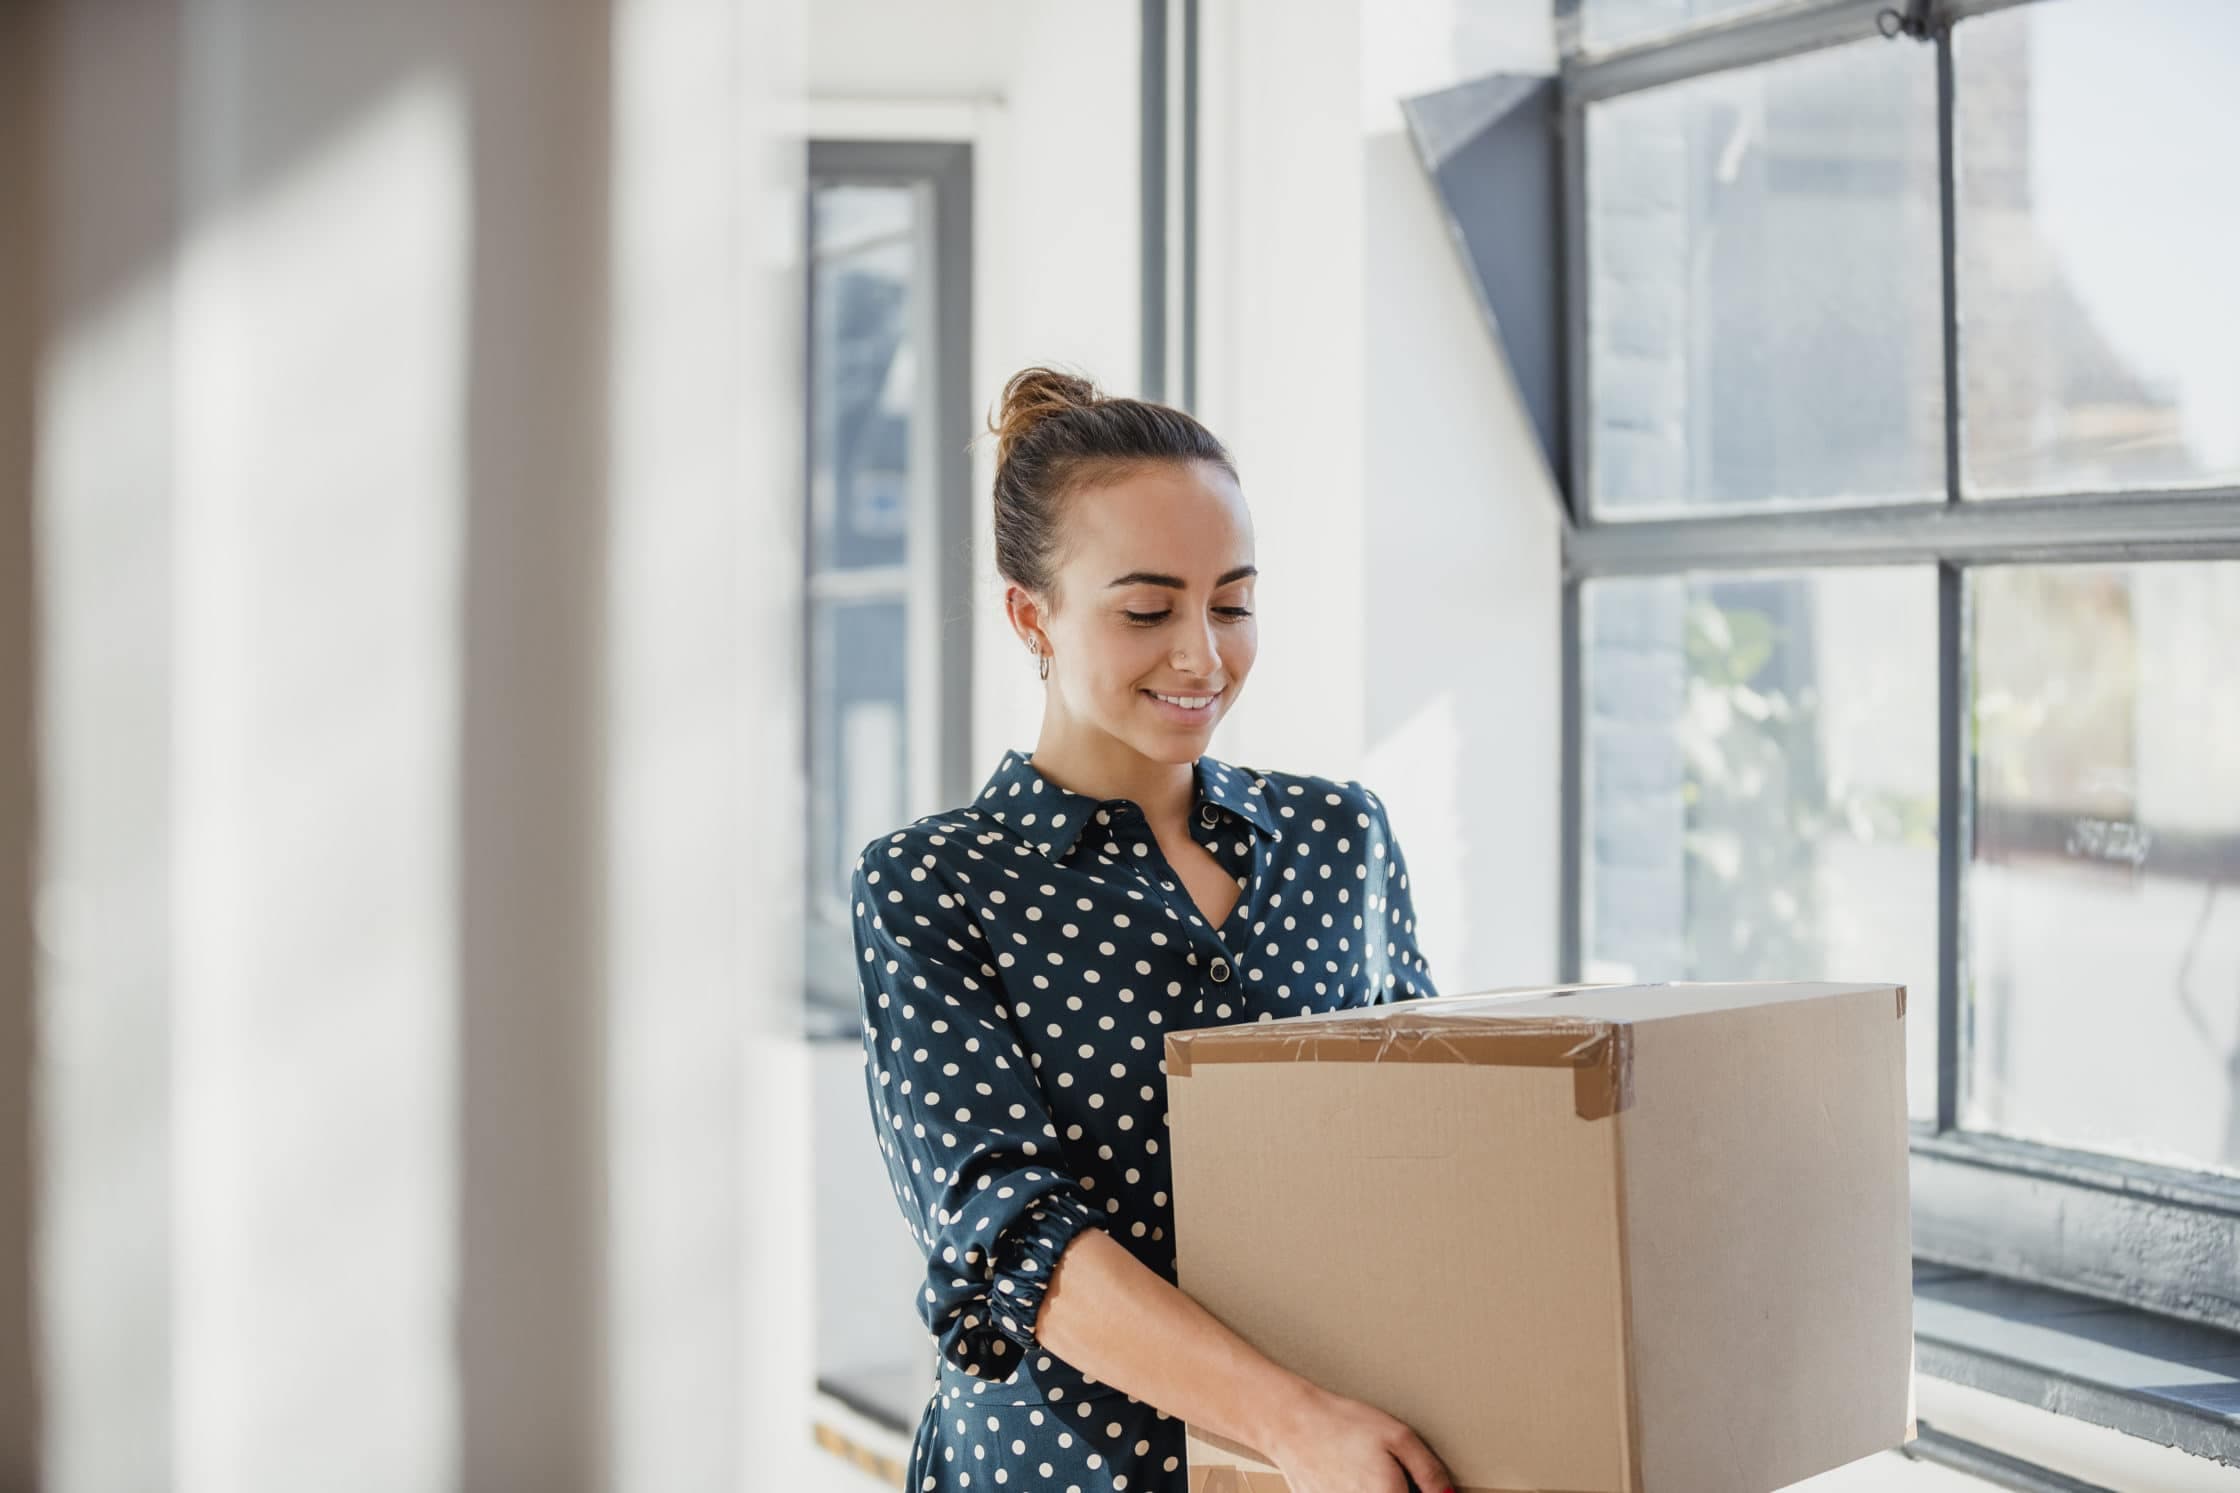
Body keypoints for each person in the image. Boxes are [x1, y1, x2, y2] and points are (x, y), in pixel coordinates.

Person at [848, 366, 1455, 1493]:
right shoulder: (933, 885)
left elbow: (1428, 1141)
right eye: (1146, 610)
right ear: (1030, 612)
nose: (1201, 657)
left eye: (1230, 603)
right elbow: (1009, 1235)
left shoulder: (1340, 836)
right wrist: (1293, 1422)